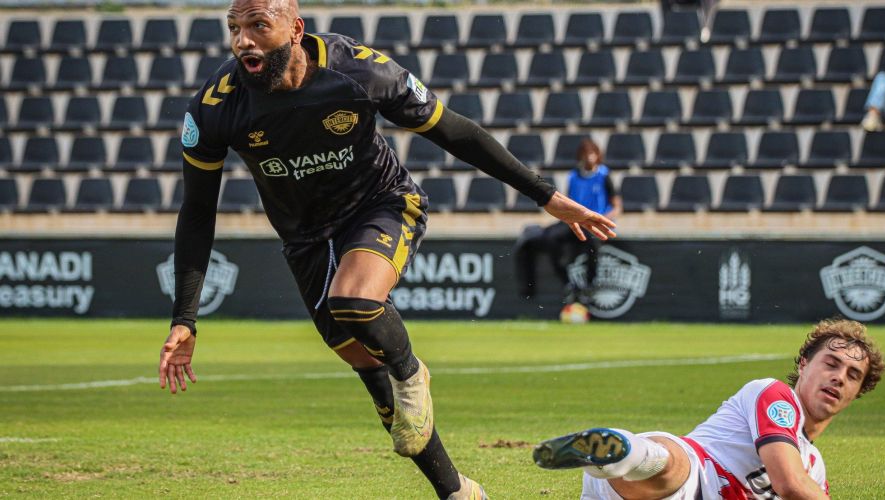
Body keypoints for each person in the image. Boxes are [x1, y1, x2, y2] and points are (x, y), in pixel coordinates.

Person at [156, 1, 617, 498]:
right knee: (370, 374)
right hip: (305, 241)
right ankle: (456, 491)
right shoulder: (214, 106)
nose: (242, 40)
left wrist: (545, 195)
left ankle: (411, 370)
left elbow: (453, 131)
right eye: (234, 28)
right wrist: (185, 318)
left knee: (354, 300)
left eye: (258, 25)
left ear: (295, 29)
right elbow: (197, 212)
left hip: (381, 204)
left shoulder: (357, 70)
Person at [533, 318, 885, 499]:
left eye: (853, 375)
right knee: (677, 467)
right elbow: (789, 484)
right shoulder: (776, 395)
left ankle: (609, 458)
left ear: (859, 391)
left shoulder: (815, 467)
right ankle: (619, 453)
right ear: (804, 364)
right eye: (831, 363)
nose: (839, 377)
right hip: (681, 479)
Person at [515, 138, 621, 303]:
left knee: (593, 244)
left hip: (594, 223)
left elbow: (617, 206)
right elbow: (568, 202)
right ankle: (568, 283)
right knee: (550, 238)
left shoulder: (604, 175)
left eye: (592, 153)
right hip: (575, 220)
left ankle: (590, 285)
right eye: (586, 153)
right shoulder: (573, 176)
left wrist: (604, 220)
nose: (589, 157)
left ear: (597, 155)